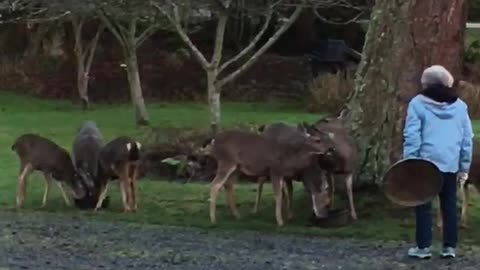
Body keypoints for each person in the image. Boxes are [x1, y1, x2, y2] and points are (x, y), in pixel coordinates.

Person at [403, 65, 474, 259]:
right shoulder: (460, 106)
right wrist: (464, 166)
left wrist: (410, 161)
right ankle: (449, 247)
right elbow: (467, 138)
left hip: (425, 163)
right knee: (449, 204)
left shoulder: (417, 103)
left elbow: (412, 135)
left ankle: (423, 247)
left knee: (423, 204)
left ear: (426, 83)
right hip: (450, 162)